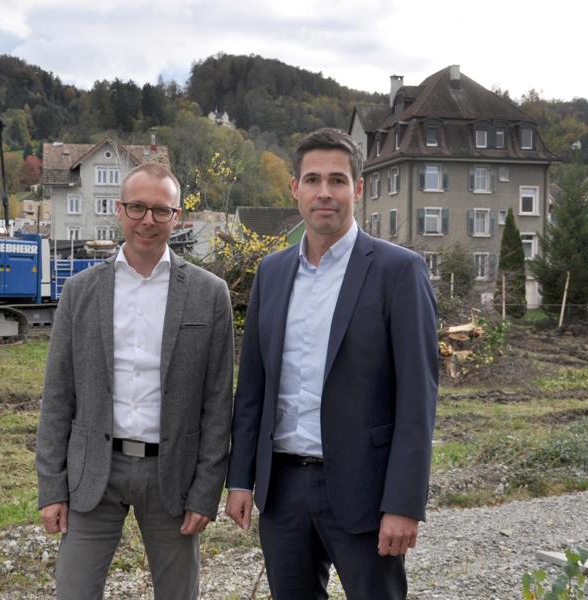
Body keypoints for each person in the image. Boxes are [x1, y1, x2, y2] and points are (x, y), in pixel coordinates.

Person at [225, 128, 438, 599]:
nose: (325, 193)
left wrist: (404, 504)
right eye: (313, 179)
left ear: (357, 189)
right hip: (282, 492)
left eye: (338, 180)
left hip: (365, 490)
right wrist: (240, 479)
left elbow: (417, 400)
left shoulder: (398, 272)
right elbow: (253, 389)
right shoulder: (272, 272)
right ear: (294, 189)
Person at [35, 163, 234, 600]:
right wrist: (51, 486)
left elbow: (218, 404)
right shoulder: (80, 291)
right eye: (138, 208)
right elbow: (57, 396)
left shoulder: (209, 293)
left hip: (173, 476)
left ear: (176, 217)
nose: (148, 220)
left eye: (160, 210)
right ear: (120, 211)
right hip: (93, 472)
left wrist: (205, 493)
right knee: (74, 592)